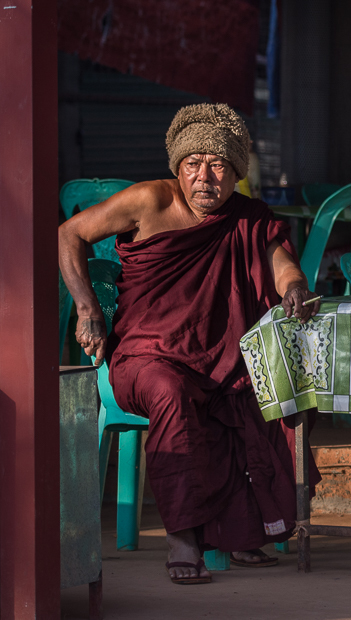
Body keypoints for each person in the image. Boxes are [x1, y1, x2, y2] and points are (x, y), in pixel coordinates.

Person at [59, 103, 323, 585]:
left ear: (237, 173)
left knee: (266, 389)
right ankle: (182, 535)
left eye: (219, 165)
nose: (205, 177)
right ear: (177, 169)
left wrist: (294, 289)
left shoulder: (249, 217)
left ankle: (240, 534)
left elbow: (280, 261)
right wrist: (86, 307)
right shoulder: (148, 201)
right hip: (146, 356)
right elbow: (69, 232)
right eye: (193, 164)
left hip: (220, 355)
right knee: (172, 393)